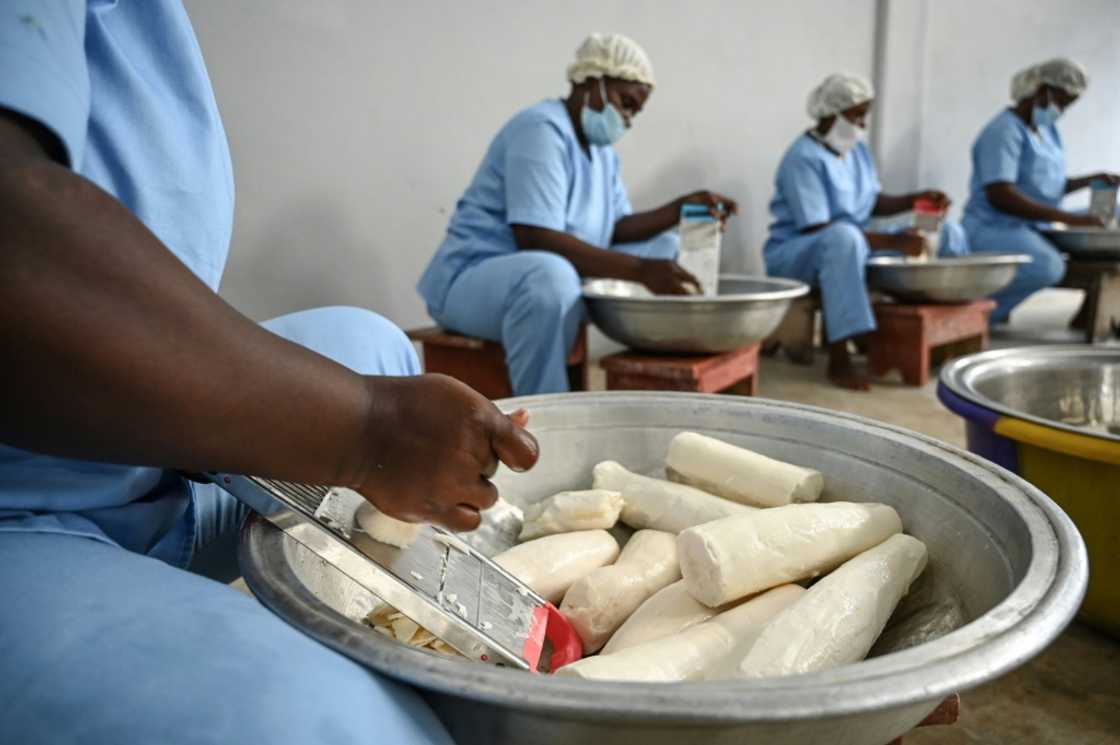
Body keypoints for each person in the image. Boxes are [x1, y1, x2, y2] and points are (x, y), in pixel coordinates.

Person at [0, 4, 538, 743]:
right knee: (355, 728)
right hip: (21, 508)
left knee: (373, 343)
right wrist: (365, 427)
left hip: (135, 451)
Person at [417, 33, 738, 396]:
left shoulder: (602, 154)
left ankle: (664, 378)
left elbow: (615, 228)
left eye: (636, 111)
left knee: (667, 248)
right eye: (625, 102)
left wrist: (680, 209)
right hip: (474, 279)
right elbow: (535, 236)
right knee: (549, 276)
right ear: (591, 81)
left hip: (556, 279)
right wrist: (640, 271)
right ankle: (545, 417)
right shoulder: (540, 130)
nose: (628, 119)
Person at [764, 74, 969, 391]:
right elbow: (820, 228)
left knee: (948, 231)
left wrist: (917, 199)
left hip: (853, 242)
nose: (862, 123)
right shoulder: (802, 158)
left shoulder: (857, 151)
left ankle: (944, 329)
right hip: (796, 253)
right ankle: (839, 358)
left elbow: (873, 201)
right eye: (856, 114)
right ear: (832, 112)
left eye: (864, 115)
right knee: (844, 238)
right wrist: (894, 243)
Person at [962, 57, 1118, 324]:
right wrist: (1071, 221)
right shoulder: (1002, 131)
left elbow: (1049, 185)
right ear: (1040, 90)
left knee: (1116, 210)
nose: (1062, 110)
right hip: (996, 227)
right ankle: (976, 315)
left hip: (1037, 223)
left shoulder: (1047, 131)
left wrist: (1089, 181)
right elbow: (1000, 194)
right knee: (1048, 267)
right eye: (1062, 101)